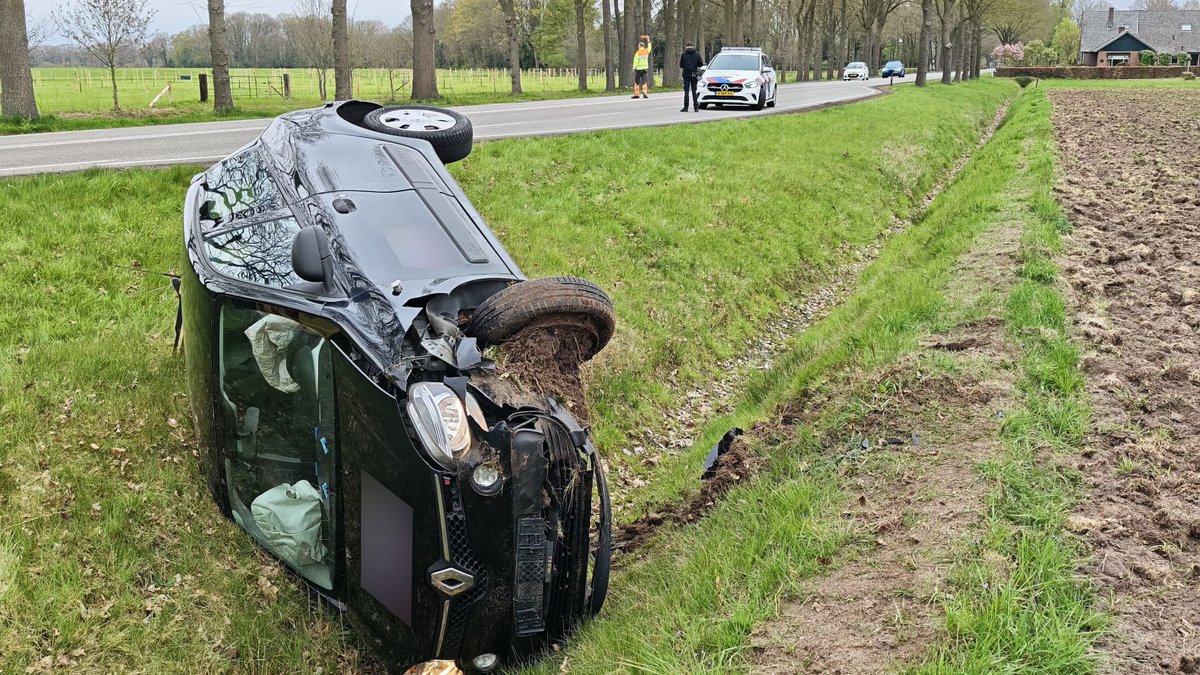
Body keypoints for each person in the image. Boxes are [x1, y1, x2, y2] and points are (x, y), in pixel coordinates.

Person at [679, 42, 705, 112]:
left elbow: (681, 65)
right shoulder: (697, 54)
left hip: (686, 75)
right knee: (694, 91)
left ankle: (686, 107)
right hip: (694, 75)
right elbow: (701, 64)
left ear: (686, 47)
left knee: (686, 91)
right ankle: (696, 107)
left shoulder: (683, 55)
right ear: (693, 46)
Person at [632, 35, 652, 99]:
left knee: (637, 82)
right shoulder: (646, 51)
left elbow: (635, 61)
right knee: (644, 82)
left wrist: (633, 68)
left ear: (640, 46)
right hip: (645, 69)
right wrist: (648, 40)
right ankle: (645, 94)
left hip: (638, 69)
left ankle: (637, 94)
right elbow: (649, 47)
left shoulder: (638, 52)